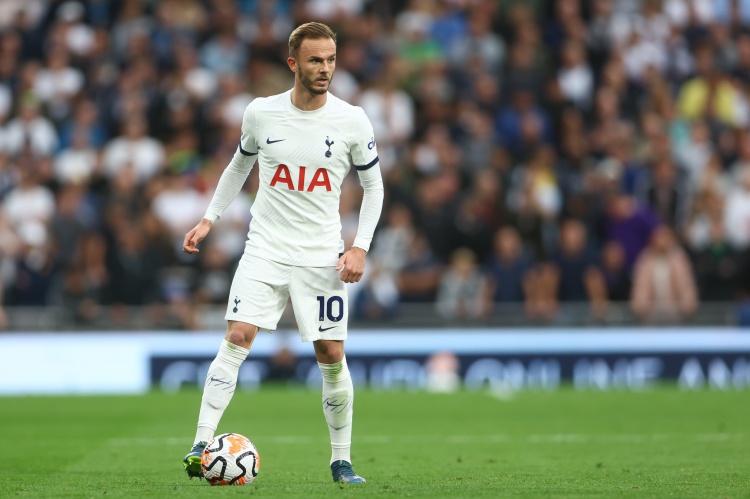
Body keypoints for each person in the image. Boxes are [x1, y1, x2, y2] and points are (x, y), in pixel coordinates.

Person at [180, 22, 383, 484]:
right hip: (265, 249)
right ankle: (200, 444)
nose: (325, 68)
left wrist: (359, 247)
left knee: (331, 353)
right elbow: (239, 166)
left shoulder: (352, 119)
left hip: (321, 255)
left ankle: (341, 461)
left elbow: (374, 186)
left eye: (331, 59)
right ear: (293, 63)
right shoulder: (261, 113)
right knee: (238, 336)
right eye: (315, 60)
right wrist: (210, 218)